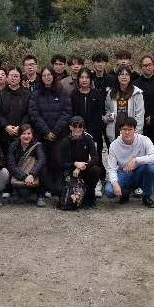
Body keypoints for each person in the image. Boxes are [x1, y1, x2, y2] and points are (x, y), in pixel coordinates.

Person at [29, 66, 72, 196]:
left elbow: (66, 112)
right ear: (41, 78)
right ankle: (46, 188)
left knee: (58, 160)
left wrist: (55, 131)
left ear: (53, 76)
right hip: (42, 134)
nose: (47, 78)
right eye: (44, 75)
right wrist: (46, 131)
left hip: (59, 134)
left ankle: (59, 188)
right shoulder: (35, 94)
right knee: (44, 161)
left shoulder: (63, 92)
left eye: (49, 75)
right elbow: (34, 114)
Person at [104, 117, 154, 208]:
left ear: (135, 130)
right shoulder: (114, 145)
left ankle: (147, 196)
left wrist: (136, 160)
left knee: (152, 167)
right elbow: (112, 168)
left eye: (130, 129)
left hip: (140, 171)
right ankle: (125, 192)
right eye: (124, 129)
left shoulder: (144, 139)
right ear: (120, 130)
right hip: (124, 172)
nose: (127, 132)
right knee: (109, 190)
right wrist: (114, 183)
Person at [70, 67, 106, 196]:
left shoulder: (97, 94)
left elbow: (100, 114)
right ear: (78, 79)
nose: (84, 80)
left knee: (95, 158)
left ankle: (97, 185)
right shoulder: (73, 94)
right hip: (77, 132)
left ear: (91, 79)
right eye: (81, 77)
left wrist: (95, 131)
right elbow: (72, 114)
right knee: (78, 158)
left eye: (87, 77)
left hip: (94, 133)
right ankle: (78, 184)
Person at [58, 116, 103, 209]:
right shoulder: (64, 142)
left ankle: (90, 196)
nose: (77, 129)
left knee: (96, 170)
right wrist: (74, 164)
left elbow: (95, 158)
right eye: (75, 126)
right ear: (70, 127)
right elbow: (61, 163)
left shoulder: (88, 139)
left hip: (83, 168)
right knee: (70, 199)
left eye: (80, 126)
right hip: (69, 170)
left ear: (83, 128)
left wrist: (83, 166)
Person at [5, 124, 47, 206]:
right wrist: (25, 177)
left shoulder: (36, 145)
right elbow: (11, 165)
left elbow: (41, 160)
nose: (26, 136)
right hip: (21, 176)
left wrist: (32, 175)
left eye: (29, 133)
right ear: (19, 135)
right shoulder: (13, 146)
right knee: (24, 193)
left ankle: (41, 196)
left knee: (43, 169)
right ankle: (21, 194)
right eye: (23, 133)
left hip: (34, 175)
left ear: (32, 135)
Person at [0, 67, 31, 152]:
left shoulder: (26, 94)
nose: (13, 78)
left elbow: (29, 113)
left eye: (16, 76)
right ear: (7, 77)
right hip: (4, 134)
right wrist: (6, 126)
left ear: (20, 78)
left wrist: (19, 127)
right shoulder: (1, 94)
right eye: (11, 75)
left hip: (23, 133)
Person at [104, 66, 145, 142]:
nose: (124, 77)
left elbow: (140, 115)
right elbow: (108, 109)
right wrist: (109, 116)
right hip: (115, 130)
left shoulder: (137, 93)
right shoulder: (111, 93)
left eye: (127, 74)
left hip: (131, 131)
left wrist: (137, 132)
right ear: (117, 77)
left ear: (130, 77)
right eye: (121, 74)